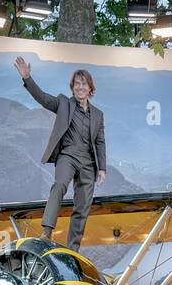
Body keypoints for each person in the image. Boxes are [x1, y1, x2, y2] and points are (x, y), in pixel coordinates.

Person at [14, 56, 106, 252]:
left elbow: (100, 142)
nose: (80, 87)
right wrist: (27, 78)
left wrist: (102, 169)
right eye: (77, 84)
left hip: (88, 163)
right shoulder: (64, 103)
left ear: (90, 88)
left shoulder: (98, 114)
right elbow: (42, 97)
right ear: (72, 88)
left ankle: (73, 250)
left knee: (82, 206)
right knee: (60, 185)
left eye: (84, 84)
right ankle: (46, 232)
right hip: (68, 156)